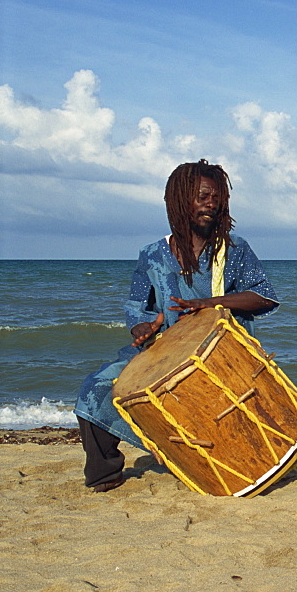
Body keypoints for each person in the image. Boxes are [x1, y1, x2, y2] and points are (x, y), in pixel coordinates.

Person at [74, 160, 279, 492]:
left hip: (222, 353)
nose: (210, 204)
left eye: (216, 198)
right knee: (94, 388)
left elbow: (263, 296)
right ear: (180, 200)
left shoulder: (235, 250)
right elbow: (138, 306)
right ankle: (105, 473)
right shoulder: (153, 255)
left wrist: (209, 304)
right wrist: (140, 328)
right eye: (202, 197)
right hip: (163, 352)